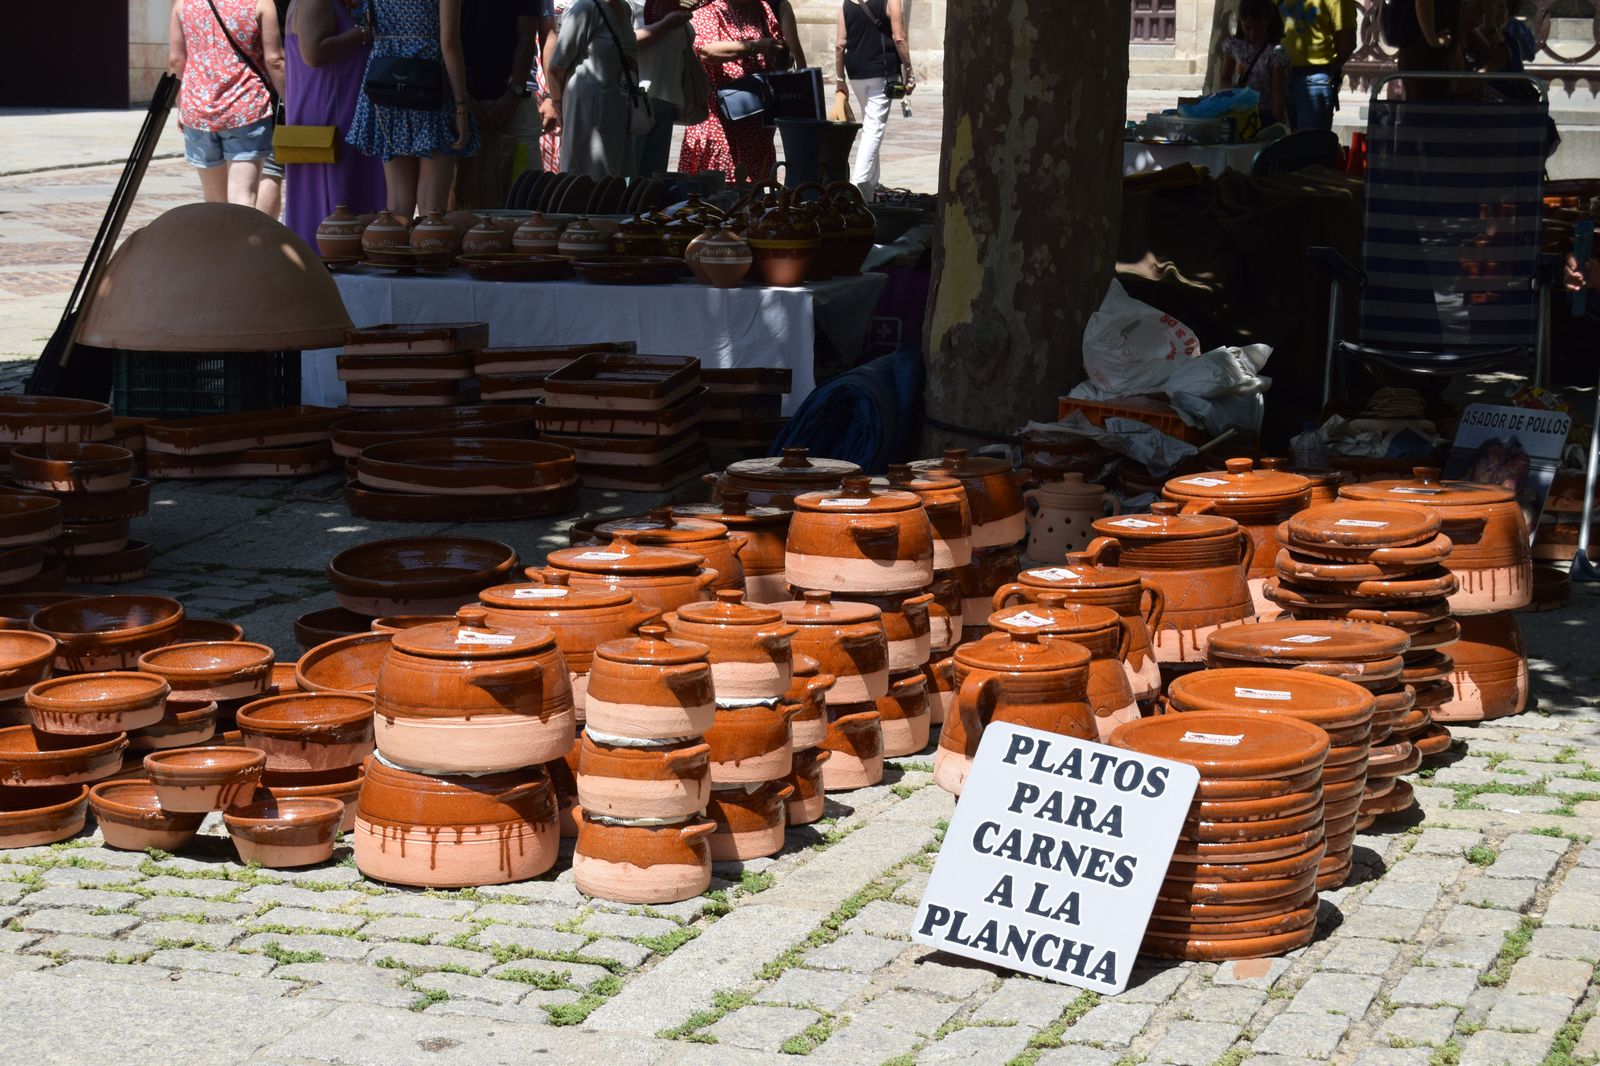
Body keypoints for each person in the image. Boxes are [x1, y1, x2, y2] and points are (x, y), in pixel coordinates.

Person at [347, 0, 477, 217]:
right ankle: (429, 248)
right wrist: (461, 107)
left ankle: (395, 249)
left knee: (397, 205)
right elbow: (449, 42)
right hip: (431, 83)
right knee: (432, 208)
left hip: (386, 80)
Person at [282, 0, 387, 244]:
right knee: (336, 198)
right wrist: (363, 33)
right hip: (331, 115)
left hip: (333, 111)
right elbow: (313, 53)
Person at [168, 0, 287, 208]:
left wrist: (182, 106)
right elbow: (275, 61)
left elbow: (176, 61)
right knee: (243, 199)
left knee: (214, 203)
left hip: (198, 111)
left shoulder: (183, 5)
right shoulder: (260, 4)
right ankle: (241, 241)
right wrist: (290, 102)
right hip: (246, 108)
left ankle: (219, 240)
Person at [679, 0, 791, 184]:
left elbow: (778, 46)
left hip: (756, 120)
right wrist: (755, 46)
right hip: (719, 120)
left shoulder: (761, 8)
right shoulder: (710, 7)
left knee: (754, 191)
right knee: (717, 190)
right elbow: (706, 51)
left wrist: (781, 55)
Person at [455, 0, 546, 209]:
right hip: (464, 102)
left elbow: (527, 37)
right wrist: (464, 100)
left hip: (508, 99)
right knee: (464, 197)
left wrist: (513, 93)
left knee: (525, 194)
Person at [546, 0, 641, 178]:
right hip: (587, 115)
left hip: (619, 113)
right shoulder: (585, 8)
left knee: (615, 181)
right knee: (585, 181)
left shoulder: (626, 9)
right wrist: (558, 106)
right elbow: (556, 68)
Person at [629, 0, 695, 176]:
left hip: (667, 98)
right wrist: (665, 25)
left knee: (655, 177)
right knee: (631, 173)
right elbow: (626, 42)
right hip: (639, 99)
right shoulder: (629, 3)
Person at [1276, 0, 1353, 130]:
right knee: (1280, 144)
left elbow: (1348, 40)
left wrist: (1330, 70)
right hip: (1278, 77)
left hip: (1316, 79)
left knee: (1310, 144)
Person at [1219, 0, 1289, 128]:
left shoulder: (1276, 52)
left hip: (1265, 116)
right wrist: (1238, 94)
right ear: (1241, 23)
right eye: (1247, 27)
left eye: (1259, 28)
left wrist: (1278, 127)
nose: (1252, 33)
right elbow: (1224, 80)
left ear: (1268, 22)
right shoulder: (1233, 46)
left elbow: (1278, 98)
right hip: (1238, 114)